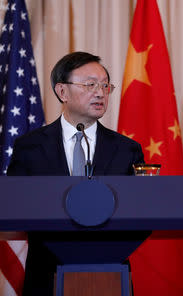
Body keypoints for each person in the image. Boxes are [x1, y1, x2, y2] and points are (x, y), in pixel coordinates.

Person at [7, 51, 145, 295]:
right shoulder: (29, 147)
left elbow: (140, 211)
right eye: (90, 85)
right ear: (62, 91)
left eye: (105, 85)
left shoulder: (127, 150)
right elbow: (13, 206)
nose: (100, 92)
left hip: (111, 275)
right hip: (45, 276)